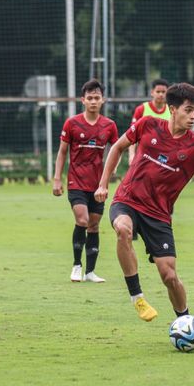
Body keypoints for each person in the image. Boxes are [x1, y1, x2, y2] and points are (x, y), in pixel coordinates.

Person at [94, 82, 194, 321]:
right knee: (123, 229)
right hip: (127, 200)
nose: (192, 116)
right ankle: (136, 297)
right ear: (172, 109)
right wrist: (103, 184)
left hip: (158, 215)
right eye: (188, 110)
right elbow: (117, 147)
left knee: (169, 276)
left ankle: (185, 320)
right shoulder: (148, 125)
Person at [53, 79, 119, 283]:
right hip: (76, 182)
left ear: (103, 100)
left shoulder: (109, 126)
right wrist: (57, 179)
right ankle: (76, 266)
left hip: (98, 184)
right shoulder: (72, 123)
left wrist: (112, 169)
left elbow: (117, 149)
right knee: (82, 220)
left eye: (96, 98)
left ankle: (90, 272)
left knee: (94, 226)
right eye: (89, 98)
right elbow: (63, 152)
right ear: (83, 100)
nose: (93, 101)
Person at [128, 79, 171, 166]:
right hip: (144, 155)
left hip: (163, 156)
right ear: (152, 92)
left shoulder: (171, 111)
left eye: (163, 92)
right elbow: (132, 134)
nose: (161, 94)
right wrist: (131, 155)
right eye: (158, 91)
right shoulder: (141, 109)